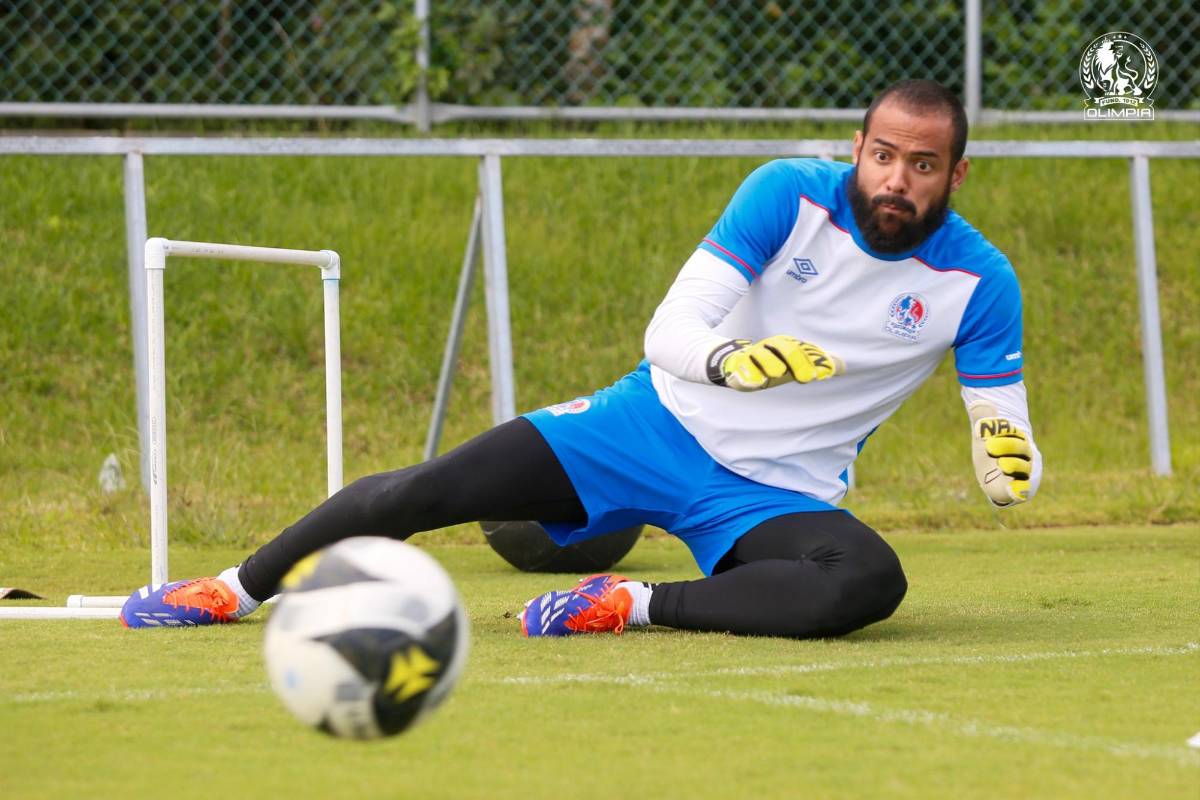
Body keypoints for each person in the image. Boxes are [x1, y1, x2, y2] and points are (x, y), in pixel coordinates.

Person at [121, 79, 1041, 637]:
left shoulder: (980, 280)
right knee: (423, 494)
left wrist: (1010, 470)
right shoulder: (786, 194)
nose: (895, 179)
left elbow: (1000, 423)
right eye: (883, 155)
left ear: (955, 175)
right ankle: (231, 589)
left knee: (869, 583)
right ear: (858, 148)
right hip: (648, 425)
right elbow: (669, 333)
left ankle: (629, 603)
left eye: (921, 165)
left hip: (773, 495)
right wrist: (729, 363)